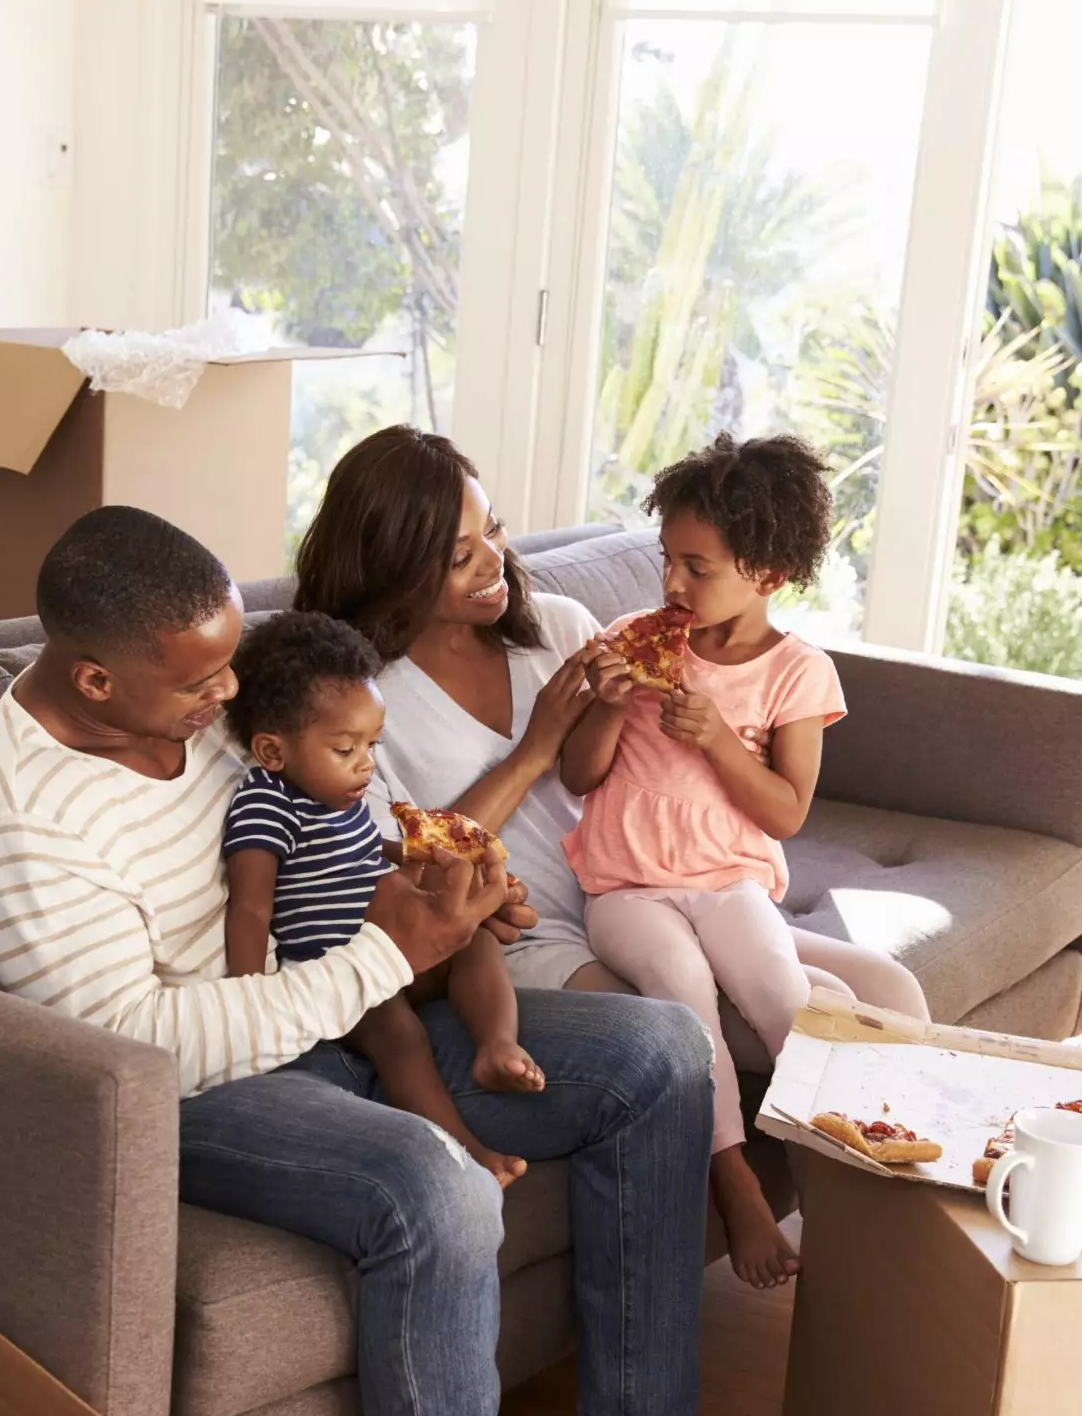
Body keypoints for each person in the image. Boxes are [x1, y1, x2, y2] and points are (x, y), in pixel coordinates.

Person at [0, 506, 754, 1416]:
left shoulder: (209, 706)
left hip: (335, 1002)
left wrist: (440, 896)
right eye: (198, 685)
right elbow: (136, 1045)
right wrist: (388, 957)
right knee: (432, 1185)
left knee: (658, 1053)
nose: (228, 701)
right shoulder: (21, 826)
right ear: (95, 682)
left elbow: (330, 827)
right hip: (183, 1088)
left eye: (230, 669)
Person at [294, 427, 930, 1283]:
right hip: (531, 938)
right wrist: (536, 745)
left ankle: (889, 1238)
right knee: (808, 1010)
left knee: (885, 992)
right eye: (459, 555)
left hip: (655, 884)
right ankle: (774, 1201)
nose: (494, 563)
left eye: (496, 531)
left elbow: (664, 766)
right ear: (396, 566)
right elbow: (409, 861)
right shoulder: (360, 699)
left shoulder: (556, 626)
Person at [562, 433, 853, 1287]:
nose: (672, 586)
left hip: (729, 881)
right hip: (624, 888)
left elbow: (787, 810)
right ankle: (733, 1178)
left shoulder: (798, 672)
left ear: (767, 572)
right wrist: (610, 708)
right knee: (684, 993)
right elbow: (578, 774)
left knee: (782, 996)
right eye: (667, 562)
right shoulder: (630, 639)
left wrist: (722, 741)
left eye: (697, 567)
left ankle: (842, 1186)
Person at [221, 610, 538, 1190]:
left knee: (476, 941)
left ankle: (497, 1045)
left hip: (396, 952)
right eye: (346, 749)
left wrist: (425, 860)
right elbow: (249, 906)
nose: (367, 763)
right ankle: (467, 1150)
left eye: (373, 744)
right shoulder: (266, 804)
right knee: (400, 1036)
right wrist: (252, 1004)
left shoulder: (340, 796)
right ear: (272, 751)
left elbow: (370, 852)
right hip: (340, 975)